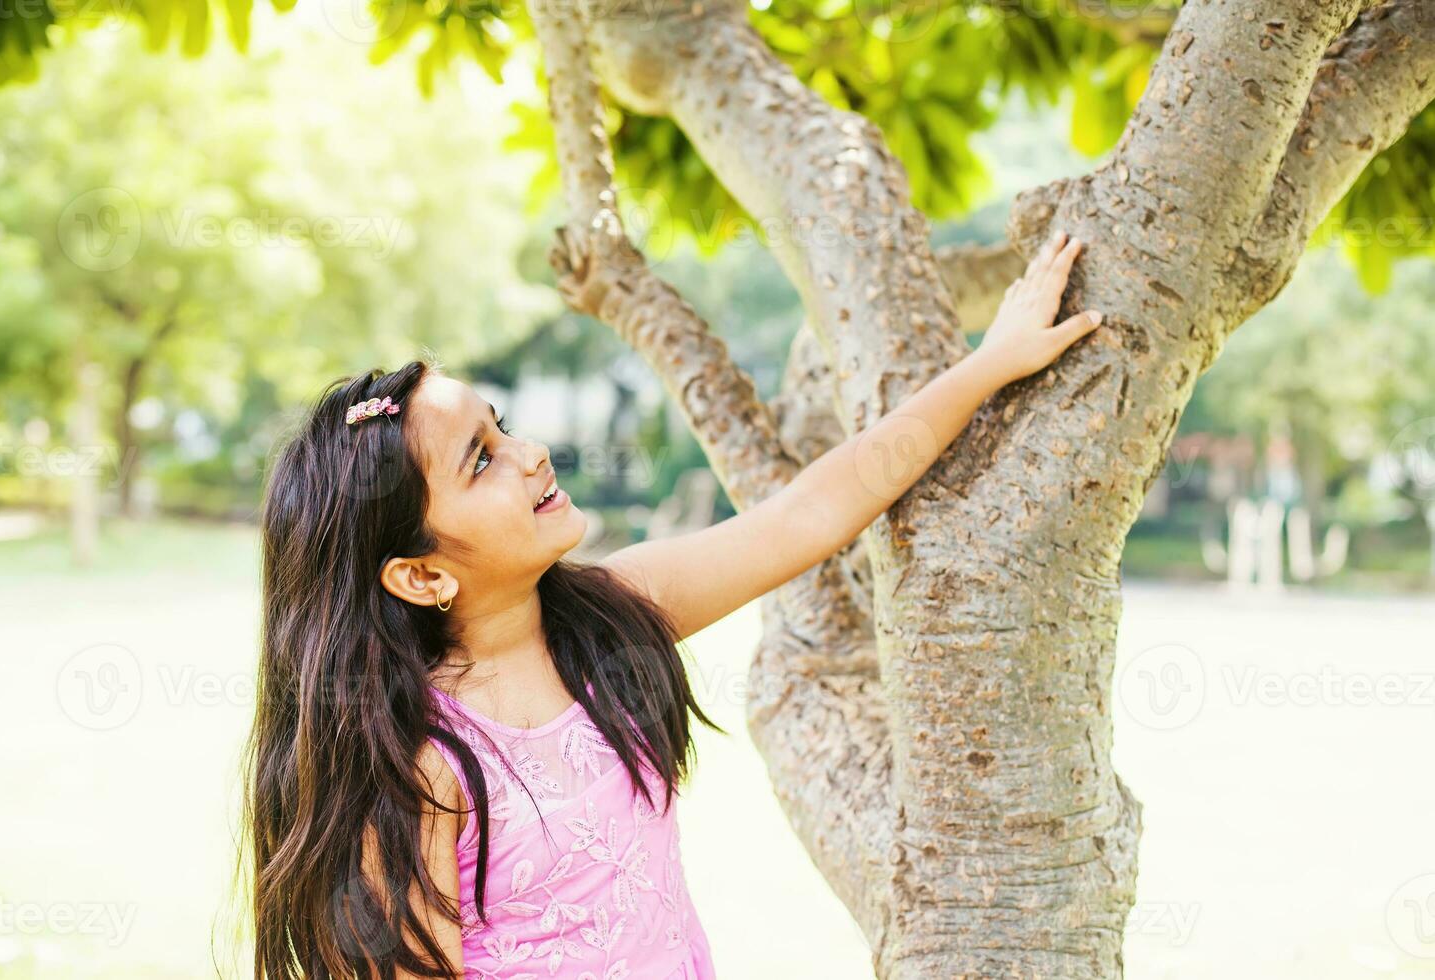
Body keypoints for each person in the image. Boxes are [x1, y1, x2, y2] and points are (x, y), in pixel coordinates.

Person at [243, 230, 1101, 978]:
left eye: (503, 427)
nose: (532, 454)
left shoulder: (611, 616)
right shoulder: (419, 766)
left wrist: (991, 362)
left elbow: (811, 511)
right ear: (422, 576)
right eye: (481, 460)